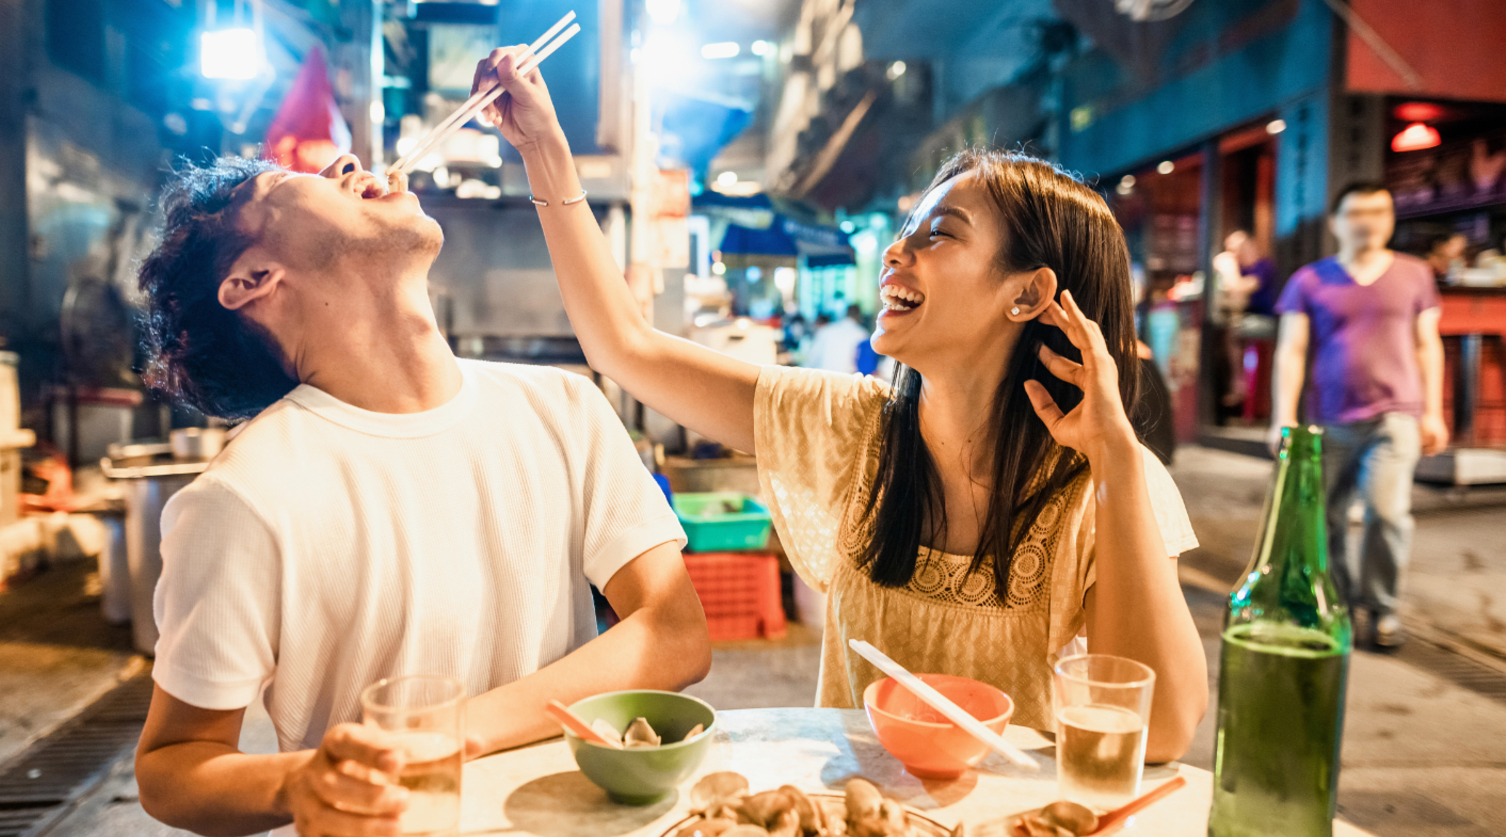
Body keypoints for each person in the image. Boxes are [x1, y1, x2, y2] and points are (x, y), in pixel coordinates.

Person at [475, 47, 1208, 760]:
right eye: (905, 232)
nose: (896, 253)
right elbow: (625, 346)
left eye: (939, 235)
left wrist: (1114, 456)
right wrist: (546, 151)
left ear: (1027, 294)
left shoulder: (1104, 481)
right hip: (852, 831)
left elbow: (1164, 730)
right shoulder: (853, 429)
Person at [131, 154, 711, 837]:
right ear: (252, 281)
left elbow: (675, 633)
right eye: (285, 184)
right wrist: (298, 781)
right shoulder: (243, 497)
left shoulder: (565, 409)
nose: (348, 164)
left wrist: (447, 733)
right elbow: (172, 768)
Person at [1272, 182, 1449, 650]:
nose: (1368, 220)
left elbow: (1429, 345)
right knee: (1324, 520)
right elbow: (1291, 350)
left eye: (1379, 211)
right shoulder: (1309, 280)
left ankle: (1383, 607)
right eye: (1356, 212)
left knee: (1387, 513)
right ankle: (1339, 605)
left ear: (1391, 219)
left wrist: (1434, 411)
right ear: (1336, 222)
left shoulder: (1415, 274)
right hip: (1328, 420)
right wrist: (1282, 415)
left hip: (1396, 417)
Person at [1212, 230, 1278, 409]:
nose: (1233, 252)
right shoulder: (1241, 269)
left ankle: (1239, 385)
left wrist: (1228, 269)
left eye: (1236, 248)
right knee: (1221, 332)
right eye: (1230, 249)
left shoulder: (1264, 266)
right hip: (1247, 318)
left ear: (1249, 245)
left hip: (1267, 320)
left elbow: (1239, 289)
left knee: (1234, 332)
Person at [805, 305, 871, 373]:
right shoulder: (863, 335)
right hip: (848, 380)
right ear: (859, 317)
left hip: (824, 378)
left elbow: (811, 359)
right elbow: (866, 367)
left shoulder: (826, 330)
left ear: (845, 314)